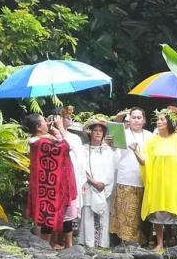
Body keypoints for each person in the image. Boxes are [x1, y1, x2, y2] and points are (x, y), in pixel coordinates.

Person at [131, 109, 177, 251]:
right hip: (158, 182)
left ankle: (174, 240)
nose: (158, 122)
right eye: (157, 119)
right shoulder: (152, 140)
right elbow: (144, 161)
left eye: (162, 119)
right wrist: (135, 151)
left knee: (174, 208)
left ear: (169, 122)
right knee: (158, 212)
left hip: (173, 182)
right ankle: (159, 243)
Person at [23, 114, 77, 249]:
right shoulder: (42, 143)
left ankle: (49, 245)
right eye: (44, 121)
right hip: (48, 187)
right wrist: (60, 128)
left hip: (46, 185)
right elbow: (67, 146)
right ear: (38, 127)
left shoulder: (40, 141)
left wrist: (55, 132)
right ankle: (45, 247)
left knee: (48, 215)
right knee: (47, 215)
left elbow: (61, 145)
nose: (47, 123)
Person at [109, 107, 150, 245]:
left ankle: (141, 242)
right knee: (125, 214)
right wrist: (119, 116)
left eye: (139, 117)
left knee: (140, 215)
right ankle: (125, 243)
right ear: (129, 119)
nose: (136, 120)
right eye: (133, 117)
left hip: (144, 179)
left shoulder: (150, 136)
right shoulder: (123, 134)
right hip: (125, 178)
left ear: (144, 120)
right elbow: (112, 132)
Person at [79, 119, 117, 248]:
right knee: (88, 213)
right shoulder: (84, 149)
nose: (98, 133)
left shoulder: (108, 150)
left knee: (103, 215)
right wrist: (93, 182)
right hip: (89, 186)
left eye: (100, 131)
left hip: (103, 187)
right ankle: (89, 243)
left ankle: (102, 243)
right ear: (90, 132)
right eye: (95, 130)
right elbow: (82, 168)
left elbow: (111, 169)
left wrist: (103, 184)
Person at [58, 106, 85, 248]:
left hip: (73, 176)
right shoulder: (53, 135)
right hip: (58, 178)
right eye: (67, 117)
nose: (70, 120)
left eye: (70, 117)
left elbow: (80, 158)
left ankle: (69, 241)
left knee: (71, 210)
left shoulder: (75, 137)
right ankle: (55, 240)